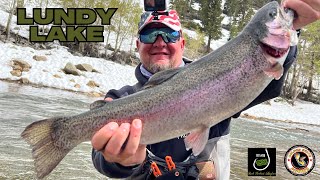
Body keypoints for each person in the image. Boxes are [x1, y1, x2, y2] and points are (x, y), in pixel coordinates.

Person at [91, 1, 320, 179]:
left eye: (169, 35)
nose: (160, 42)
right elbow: (101, 160)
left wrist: (290, 27)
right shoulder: (121, 99)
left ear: (182, 44)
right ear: (137, 45)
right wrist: (121, 160)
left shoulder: (220, 80)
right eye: (149, 35)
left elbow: (266, 79)